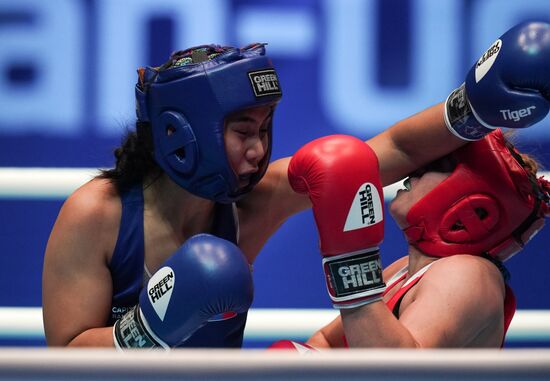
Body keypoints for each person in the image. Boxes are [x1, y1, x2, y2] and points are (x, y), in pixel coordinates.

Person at [42, 20, 549, 349]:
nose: (260, 150)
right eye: (243, 131)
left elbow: (394, 150)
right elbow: (62, 357)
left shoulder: (250, 204)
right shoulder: (99, 214)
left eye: (265, 129)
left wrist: (473, 108)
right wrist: (151, 330)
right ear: (183, 132)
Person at [277, 129, 549, 350]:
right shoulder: (403, 270)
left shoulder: (468, 273)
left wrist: (352, 261)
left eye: (438, 166)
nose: (413, 173)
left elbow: (401, 373)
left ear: (474, 209)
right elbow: (324, 342)